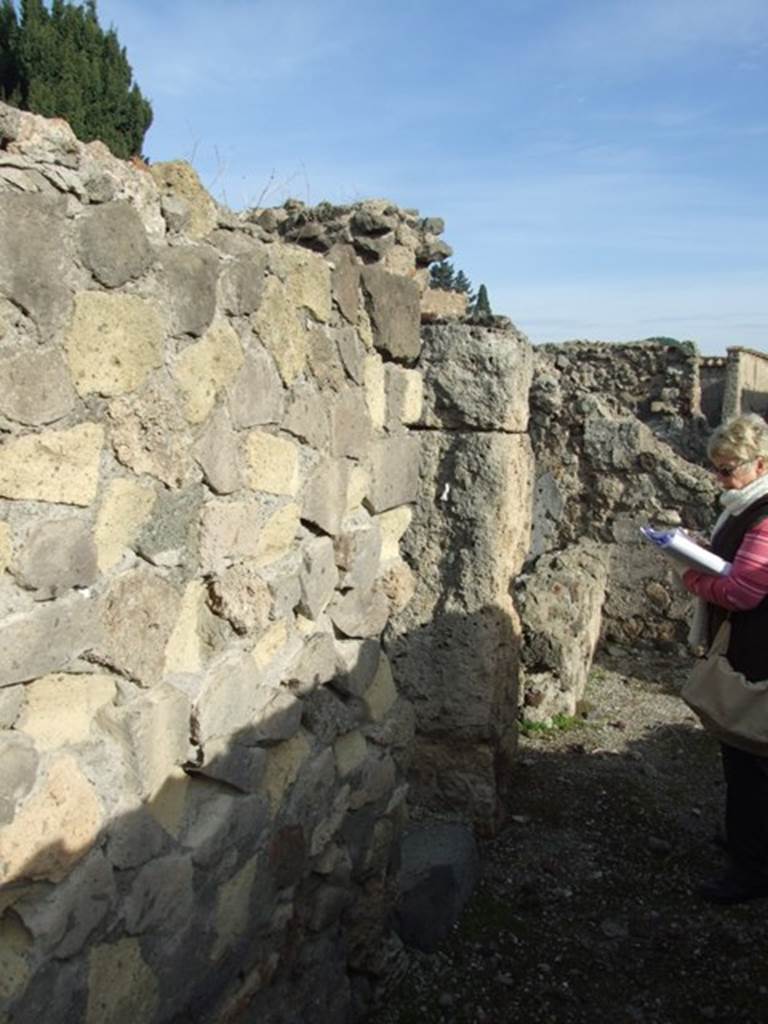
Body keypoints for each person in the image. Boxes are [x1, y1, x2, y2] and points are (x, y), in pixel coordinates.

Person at [681, 412, 768, 903]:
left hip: (757, 653)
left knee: (750, 754)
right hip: (748, 646)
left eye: (728, 468)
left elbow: (742, 590)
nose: (719, 478)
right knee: (742, 756)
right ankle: (746, 842)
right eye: (715, 468)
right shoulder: (743, 505)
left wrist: (692, 576)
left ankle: (752, 867)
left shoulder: (764, 513)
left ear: (760, 464)